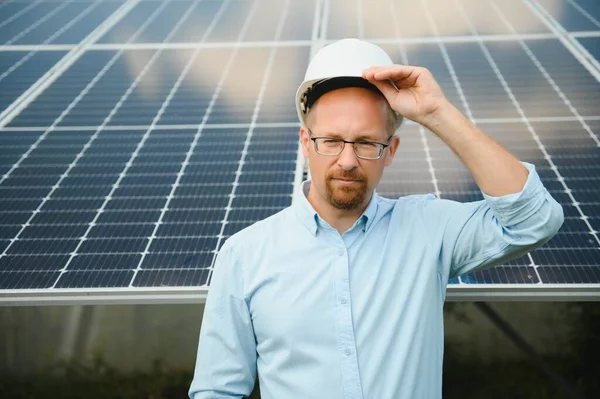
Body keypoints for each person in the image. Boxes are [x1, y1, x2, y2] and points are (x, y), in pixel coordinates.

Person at [189, 39, 564, 399]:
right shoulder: (245, 255)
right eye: (331, 140)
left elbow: (534, 220)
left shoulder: (428, 229)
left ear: (391, 150)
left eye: (367, 143)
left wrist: (437, 114)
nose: (348, 161)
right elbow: (217, 390)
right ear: (306, 143)